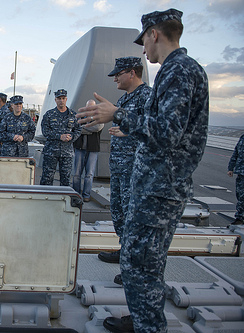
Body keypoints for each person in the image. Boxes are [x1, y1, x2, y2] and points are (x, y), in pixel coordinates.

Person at [77, 8, 209, 333]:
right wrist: (116, 115)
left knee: (139, 265)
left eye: (143, 41)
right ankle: (142, 320)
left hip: (159, 190)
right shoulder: (175, 70)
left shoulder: (179, 71)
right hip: (154, 186)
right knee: (144, 264)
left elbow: (167, 133)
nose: (143, 50)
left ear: (153, 34)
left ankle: (148, 327)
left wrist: (117, 116)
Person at [97, 57, 152, 265]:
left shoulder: (148, 96)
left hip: (136, 169)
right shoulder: (123, 100)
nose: (115, 79)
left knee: (134, 215)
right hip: (120, 167)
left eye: (118, 74)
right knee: (119, 212)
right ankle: (125, 251)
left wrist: (127, 132)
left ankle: (134, 263)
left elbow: (154, 132)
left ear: (132, 73)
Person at [40, 89, 81, 186]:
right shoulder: (49, 115)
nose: (61, 100)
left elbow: (78, 130)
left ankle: (63, 199)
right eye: (59, 98)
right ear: (55, 100)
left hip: (67, 153)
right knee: (47, 178)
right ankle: (45, 198)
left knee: (65, 179)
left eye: (63, 98)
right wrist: (59, 136)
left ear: (66, 99)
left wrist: (71, 137)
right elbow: (45, 132)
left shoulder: (73, 115)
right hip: (51, 151)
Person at [72, 100, 103, 202]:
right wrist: (88, 129)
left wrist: (82, 128)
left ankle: (86, 195)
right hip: (79, 148)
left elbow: (97, 127)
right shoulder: (79, 117)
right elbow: (75, 128)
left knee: (89, 174)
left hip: (92, 149)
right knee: (77, 173)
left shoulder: (99, 118)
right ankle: (76, 193)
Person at [227, 134, 244, 226]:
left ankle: (240, 217)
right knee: (240, 195)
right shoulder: (242, 137)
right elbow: (236, 153)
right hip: (241, 172)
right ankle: (240, 217)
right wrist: (231, 168)